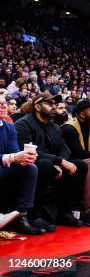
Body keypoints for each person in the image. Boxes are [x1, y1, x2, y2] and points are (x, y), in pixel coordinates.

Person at [14, 92, 86, 229]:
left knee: (80, 165)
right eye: (50, 104)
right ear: (37, 106)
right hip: (29, 164)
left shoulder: (55, 127)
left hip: (52, 164)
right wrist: (58, 161)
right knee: (44, 165)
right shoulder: (23, 124)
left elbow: (64, 150)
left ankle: (64, 213)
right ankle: (34, 215)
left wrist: (61, 162)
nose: (54, 107)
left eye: (55, 104)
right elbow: (28, 152)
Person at [0, 97, 41, 234]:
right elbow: (11, 156)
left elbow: (14, 151)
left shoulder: (9, 126)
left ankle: (21, 217)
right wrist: (12, 157)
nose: (3, 104)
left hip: (3, 167)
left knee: (30, 168)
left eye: (4, 102)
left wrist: (25, 157)